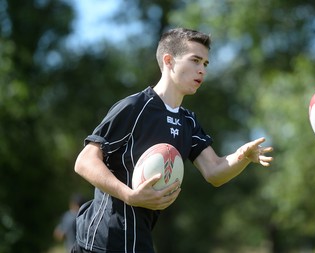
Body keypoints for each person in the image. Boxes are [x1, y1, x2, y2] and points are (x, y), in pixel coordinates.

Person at [72, 27, 273, 253]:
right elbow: (85, 161)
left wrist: (242, 156)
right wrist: (129, 195)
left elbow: (214, 171)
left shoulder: (188, 121)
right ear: (169, 61)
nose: (202, 70)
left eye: (205, 64)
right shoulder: (134, 107)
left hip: (139, 242)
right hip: (100, 241)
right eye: (195, 60)